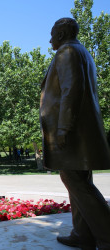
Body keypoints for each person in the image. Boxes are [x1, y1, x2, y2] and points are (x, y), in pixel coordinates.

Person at [40, 17, 110, 249]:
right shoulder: (82, 52)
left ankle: (106, 235)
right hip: (80, 131)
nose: (50, 39)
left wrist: (63, 128)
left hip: (72, 131)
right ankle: (83, 233)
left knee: (74, 180)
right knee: (78, 179)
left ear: (60, 34)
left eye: (52, 34)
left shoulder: (67, 51)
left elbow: (71, 90)